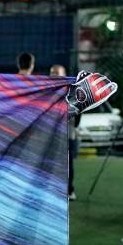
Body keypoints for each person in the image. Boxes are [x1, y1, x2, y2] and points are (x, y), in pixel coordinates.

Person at [50, 63, 80, 200]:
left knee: (68, 164)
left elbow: (78, 112)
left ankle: (70, 190)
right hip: (52, 134)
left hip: (67, 133)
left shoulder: (71, 92)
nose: (54, 76)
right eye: (52, 73)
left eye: (57, 73)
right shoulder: (48, 91)